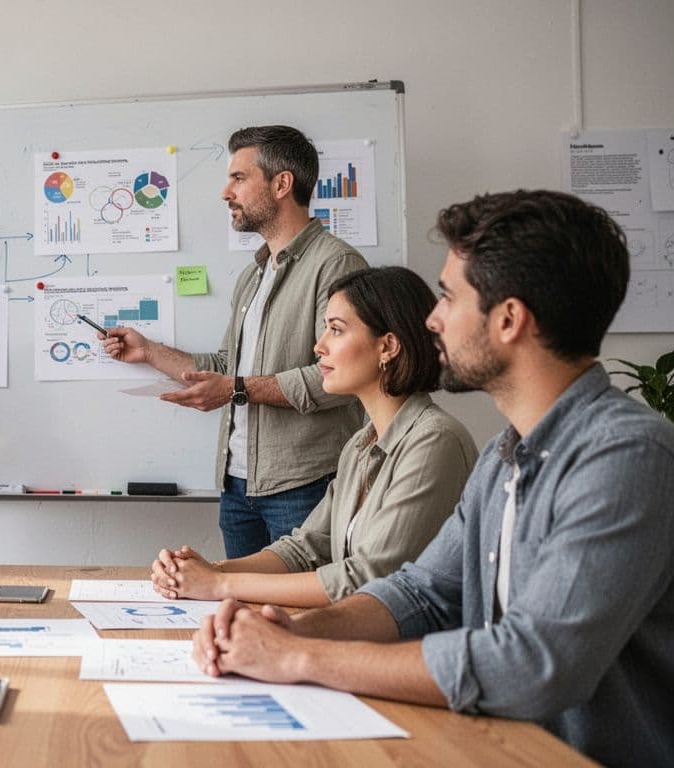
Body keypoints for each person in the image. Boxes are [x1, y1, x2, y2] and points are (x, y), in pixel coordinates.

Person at [191, 190, 674, 766]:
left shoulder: (626, 455)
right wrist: (295, 633)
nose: (432, 318)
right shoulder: (503, 458)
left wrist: (299, 658)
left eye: (448, 296)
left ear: (510, 319)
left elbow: (532, 664)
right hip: (492, 746)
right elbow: (421, 592)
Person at [104, 126, 368, 558]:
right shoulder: (254, 275)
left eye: (239, 178)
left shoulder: (336, 263)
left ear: (282, 184)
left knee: (302, 620)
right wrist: (148, 351)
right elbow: (229, 366)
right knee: (241, 615)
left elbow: (339, 377)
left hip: (305, 487)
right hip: (237, 487)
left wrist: (237, 390)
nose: (226, 192)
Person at [152, 266, 477, 607]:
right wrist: (208, 570)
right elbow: (305, 548)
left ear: (388, 346)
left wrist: (220, 584)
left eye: (336, 330)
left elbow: (367, 580)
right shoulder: (360, 445)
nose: (319, 346)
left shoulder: (435, 442)